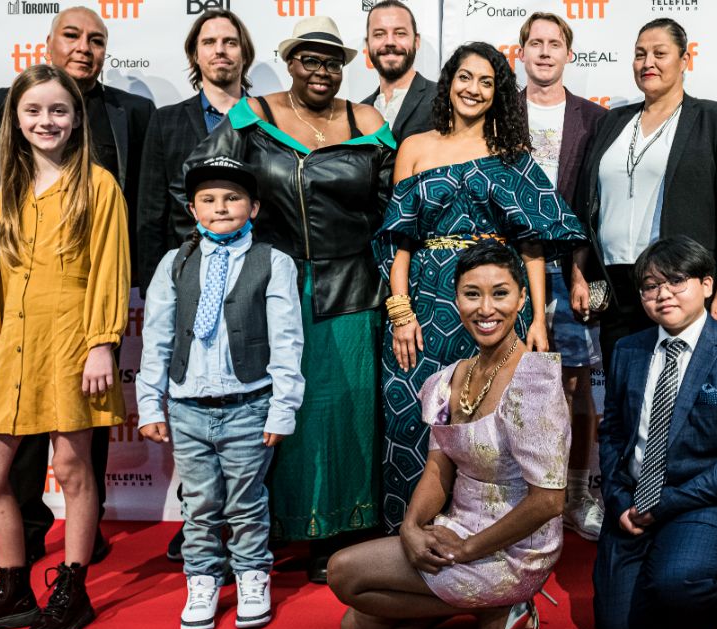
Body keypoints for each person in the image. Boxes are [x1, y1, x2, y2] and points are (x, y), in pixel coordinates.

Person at [177, 16, 393, 583]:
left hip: (355, 287)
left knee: (345, 410)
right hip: (273, 282)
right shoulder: (254, 116)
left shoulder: (368, 121)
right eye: (309, 59)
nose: (321, 71)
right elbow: (199, 178)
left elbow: (393, 202)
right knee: (273, 409)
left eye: (332, 61)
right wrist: (217, 256)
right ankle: (270, 528)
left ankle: (342, 532)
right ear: (289, 61)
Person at [327, 242, 569, 629]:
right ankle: (488, 608)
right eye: (472, 294)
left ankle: (504, 599)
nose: (485, 308)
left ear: (521, 299)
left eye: (500, 293)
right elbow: (438, 472)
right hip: (456, 527)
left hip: (514, 548)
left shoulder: (536, 381)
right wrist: (411, 528)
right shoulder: (448, 379)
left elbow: (549, 501)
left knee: (344, 572)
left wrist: (467, 550)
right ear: (455, 299)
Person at [375, 42, 586, 531]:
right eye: (465, 77)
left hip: (494, 302)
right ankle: (412, 538)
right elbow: (398, 237)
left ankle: (488, 545)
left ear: (498, 95)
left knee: (490, 423)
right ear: (448, 83)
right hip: (425, 301)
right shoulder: (415, 146)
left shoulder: (511, 154)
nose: (473, 89)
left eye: (487, 82)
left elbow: (532, 243)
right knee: (416, 418)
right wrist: (400, 310)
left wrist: (535, 318)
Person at [0, 64, 129, 629]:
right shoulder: (10, 184)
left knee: (75, 470)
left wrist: (104, 340)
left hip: (75, 343)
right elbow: (1, 274)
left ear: (76, 118)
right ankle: (11, 588)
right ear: (17, 118)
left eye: (58, 110)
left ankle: (73, 588)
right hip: (16, 348)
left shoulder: (98, 185)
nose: (45, 120)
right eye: (34, 111)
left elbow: (111, 266)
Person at [0, 5, 154, 567]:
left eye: (97, 39)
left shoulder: (120, 138)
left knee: (78, 464)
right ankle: (19, 560)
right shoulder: (9, 165)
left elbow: (121, 238)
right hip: (22, 318)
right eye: (72, 35)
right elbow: (2, 247)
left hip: (80, 321)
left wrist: (104, 336)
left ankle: (75, 573)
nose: (85, 46)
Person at [136, 157, 305, 629]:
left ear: (253, 207)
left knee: (247, 501)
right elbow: (158, 338)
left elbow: (288, 340)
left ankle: (253, 574)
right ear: (193, 210)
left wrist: (282, 409)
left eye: (232, 198)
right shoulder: (176, 262)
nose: (221, 207)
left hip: (249, 404)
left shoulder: (273, 262)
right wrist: (151, 403)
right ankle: (202, 578)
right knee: (200, 502)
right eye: (208, 199)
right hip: (187, 405)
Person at [592, 236, 717, 629]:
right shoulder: (627, 350)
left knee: (680, 582)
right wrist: (620, 499)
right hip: (636, 501)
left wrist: (667, 503)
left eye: (676, 281)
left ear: (707, 285)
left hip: (709, 502)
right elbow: (613, 433)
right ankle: (676, 570)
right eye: (650, 286)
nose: (663, 295)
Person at [135, 8, 256, 564]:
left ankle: (250, 519)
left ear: (244, 54)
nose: (221, 51)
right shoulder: (168, 120)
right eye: (210, 42)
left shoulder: (265, 118)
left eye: (230, 42)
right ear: (195, 55)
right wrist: (154, 284)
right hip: (186, 271)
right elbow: (153, 206)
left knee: (248, 388)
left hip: (250, 270)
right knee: (191, 393)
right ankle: (199, 517)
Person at [572, 18, 717, 372]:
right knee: (623, 397)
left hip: (679, 286)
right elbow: (585, 208)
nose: (647, 63)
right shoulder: (613, 121)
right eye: (640, 54)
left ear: (684, 60)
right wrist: (580, 276)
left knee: (681, 395)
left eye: (660, 53)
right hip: (616, 288)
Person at [517, 11, 607, 541]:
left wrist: (580, 272)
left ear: (569, 54)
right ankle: (526, 496)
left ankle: (576, 493)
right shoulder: (502, 114)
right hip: (512, 264)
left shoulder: (593, 119)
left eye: (555, 44)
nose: (545, 52)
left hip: (572, 265)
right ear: (521, 52)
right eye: (536, 43)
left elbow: (593, 206)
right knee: (513, 380)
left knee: (575, 383)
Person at [361, 0, 437, 142]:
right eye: (379, 34)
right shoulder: (359, 112)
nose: (390, 42)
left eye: (400, 33)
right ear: (367, 44)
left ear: (416, 41)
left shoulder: (442, 99)